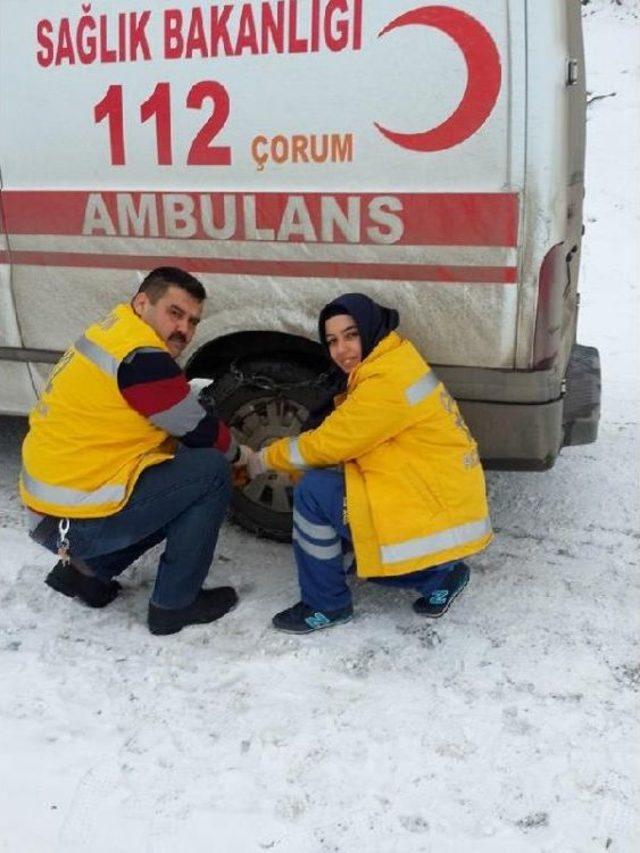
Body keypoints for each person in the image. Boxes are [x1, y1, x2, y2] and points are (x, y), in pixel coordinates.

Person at [20, 267, 249, 635]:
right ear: (142, 302)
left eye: (193, 321)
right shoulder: (142, 357)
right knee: (208, 472)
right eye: (175, 313)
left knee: (176, 477)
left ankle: (85, 575)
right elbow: (202, 432)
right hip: (71, 522)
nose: (184, 330)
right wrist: (243, 457)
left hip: (50, 513)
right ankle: (174, 605)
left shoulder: (114, 333)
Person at [247, 293, 493, 634]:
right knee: (335, 490)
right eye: (332, 341)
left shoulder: (385, 383)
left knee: (315, 492)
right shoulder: (394, 359)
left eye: (351, 335)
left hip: (433, 506)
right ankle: (442, 572)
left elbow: (328, 444)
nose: (342, 350)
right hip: (437, 494)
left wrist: (262, 459)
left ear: (369, 329)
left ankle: (326, 604)